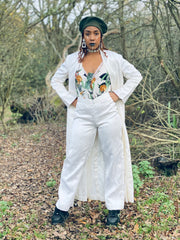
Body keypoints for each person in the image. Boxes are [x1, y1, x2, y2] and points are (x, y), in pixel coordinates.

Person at [51, 16, 142, 226]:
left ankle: (114, 208)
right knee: (73, 158)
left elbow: (135, 76)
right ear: (82, 36)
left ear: (101, 36)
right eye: (87, 33)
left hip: (108, 114)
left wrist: (117, 95)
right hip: (82, 115)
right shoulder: (73, 59)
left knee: (113, 157)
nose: (91, 38)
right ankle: (62, 206)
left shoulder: (114, 58)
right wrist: (70, 99)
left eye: (95, 33)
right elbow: (56, 80)